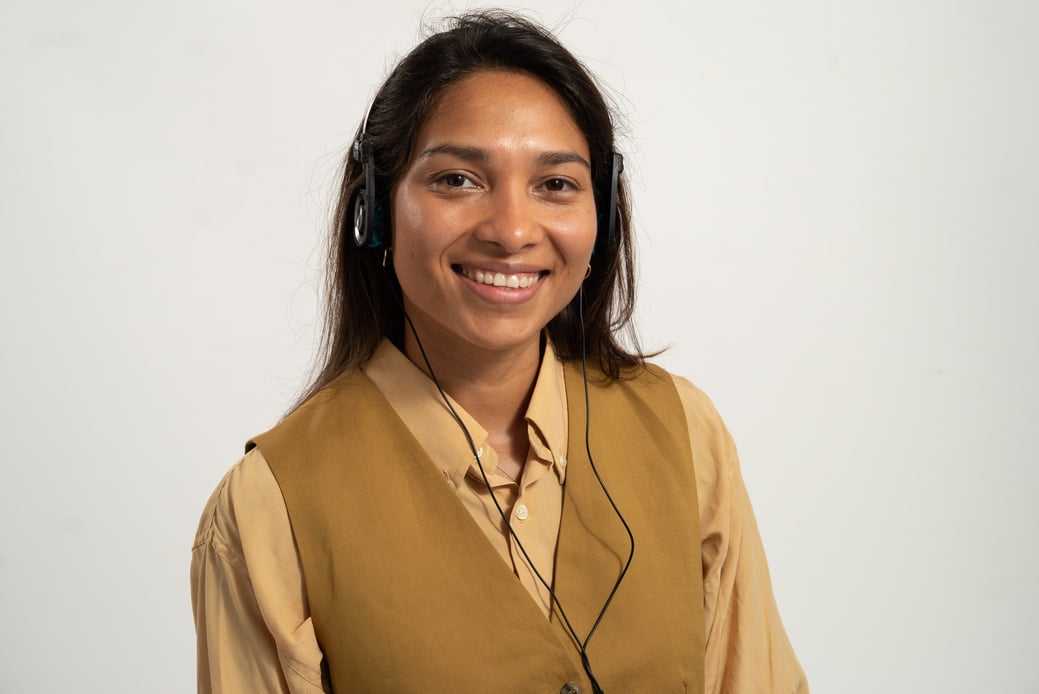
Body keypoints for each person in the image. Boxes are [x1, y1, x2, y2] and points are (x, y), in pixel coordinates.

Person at [191, 10, 808, 694]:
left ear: (600, 215)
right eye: (458, 179)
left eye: (555, 185)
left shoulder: (684, 433)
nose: (512, 231)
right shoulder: (271, 505)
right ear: (375, 207)